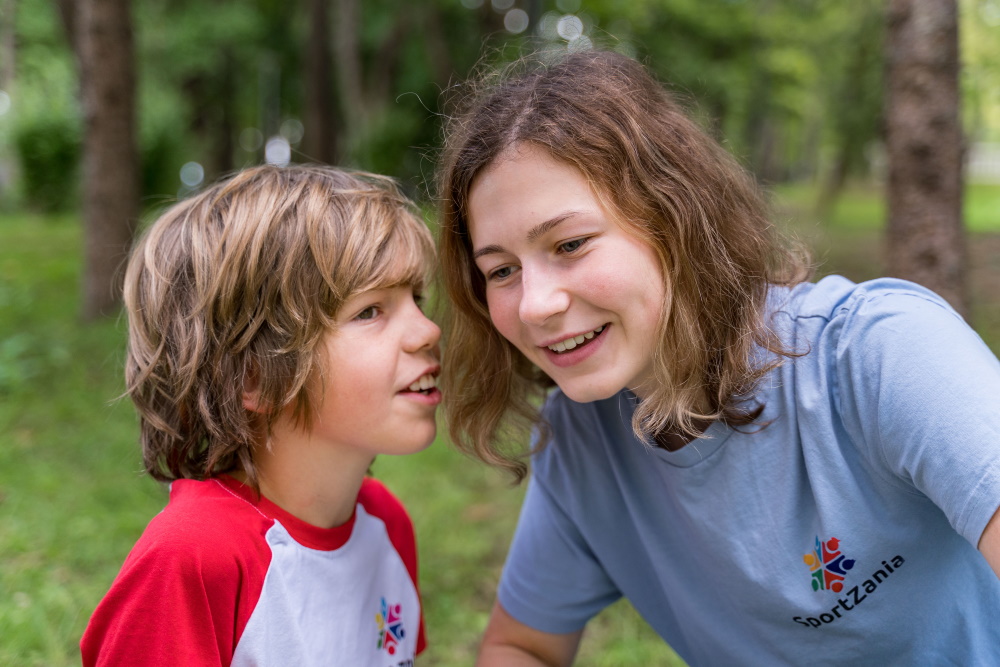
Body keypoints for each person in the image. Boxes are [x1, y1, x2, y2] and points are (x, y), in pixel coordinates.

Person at [437, 50, 1000, 665]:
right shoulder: (582, 441)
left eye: (570, 244)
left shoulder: (882, 351)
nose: (535, 304)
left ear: (674, 216)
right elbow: (523, 647)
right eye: (501, 270)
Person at [81, 165, 441, 666]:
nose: (427, 331)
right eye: (370, 311)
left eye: (416, 299)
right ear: (254, 378)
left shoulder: (384, 524)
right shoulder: (192, 559)